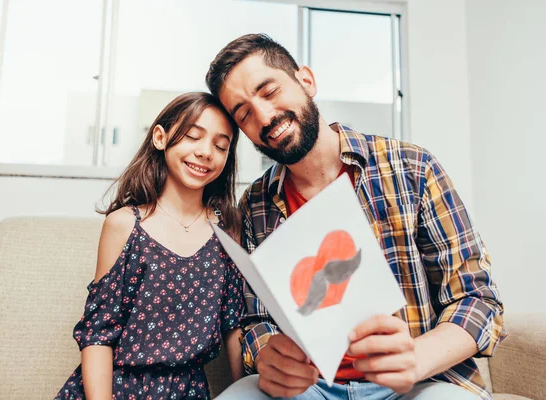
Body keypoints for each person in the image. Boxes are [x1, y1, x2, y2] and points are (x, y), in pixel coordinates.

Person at [205, 34, 506, 400]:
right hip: (310, 388)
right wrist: (269, 355)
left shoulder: (411, 167)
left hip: (418, 381)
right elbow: (255, 319)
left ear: (306, 81)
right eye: (244, 114)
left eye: (268, 92)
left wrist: (416, 358)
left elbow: (478, 298)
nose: (264, 117)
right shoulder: (254, 203)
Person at [54, 92, 245, 400]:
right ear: (160, 137)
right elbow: (98, 335)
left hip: (189, 392)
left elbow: (234, 327)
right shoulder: (125, 225)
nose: (206, 152)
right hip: (117, 390)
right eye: (193, 137)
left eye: (220, 146)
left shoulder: (228, 229)